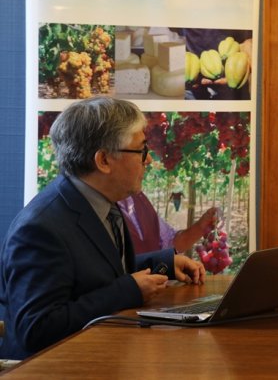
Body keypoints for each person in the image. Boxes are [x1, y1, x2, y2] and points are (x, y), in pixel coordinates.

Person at [0, 96, 205, 360]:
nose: (149, 161)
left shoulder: (97, 200)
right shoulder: (39, 229)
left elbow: (93, 269)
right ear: (104, 160)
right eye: (141, 150)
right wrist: (128, 291)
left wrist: (162, 262)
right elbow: (37, 328)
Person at [117, 191, 218, 254]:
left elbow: (170, 242)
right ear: (104, 161)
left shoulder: (138, 198)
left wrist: (201, 226)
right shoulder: (103, 212)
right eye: (141, 155)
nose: (148, 160)